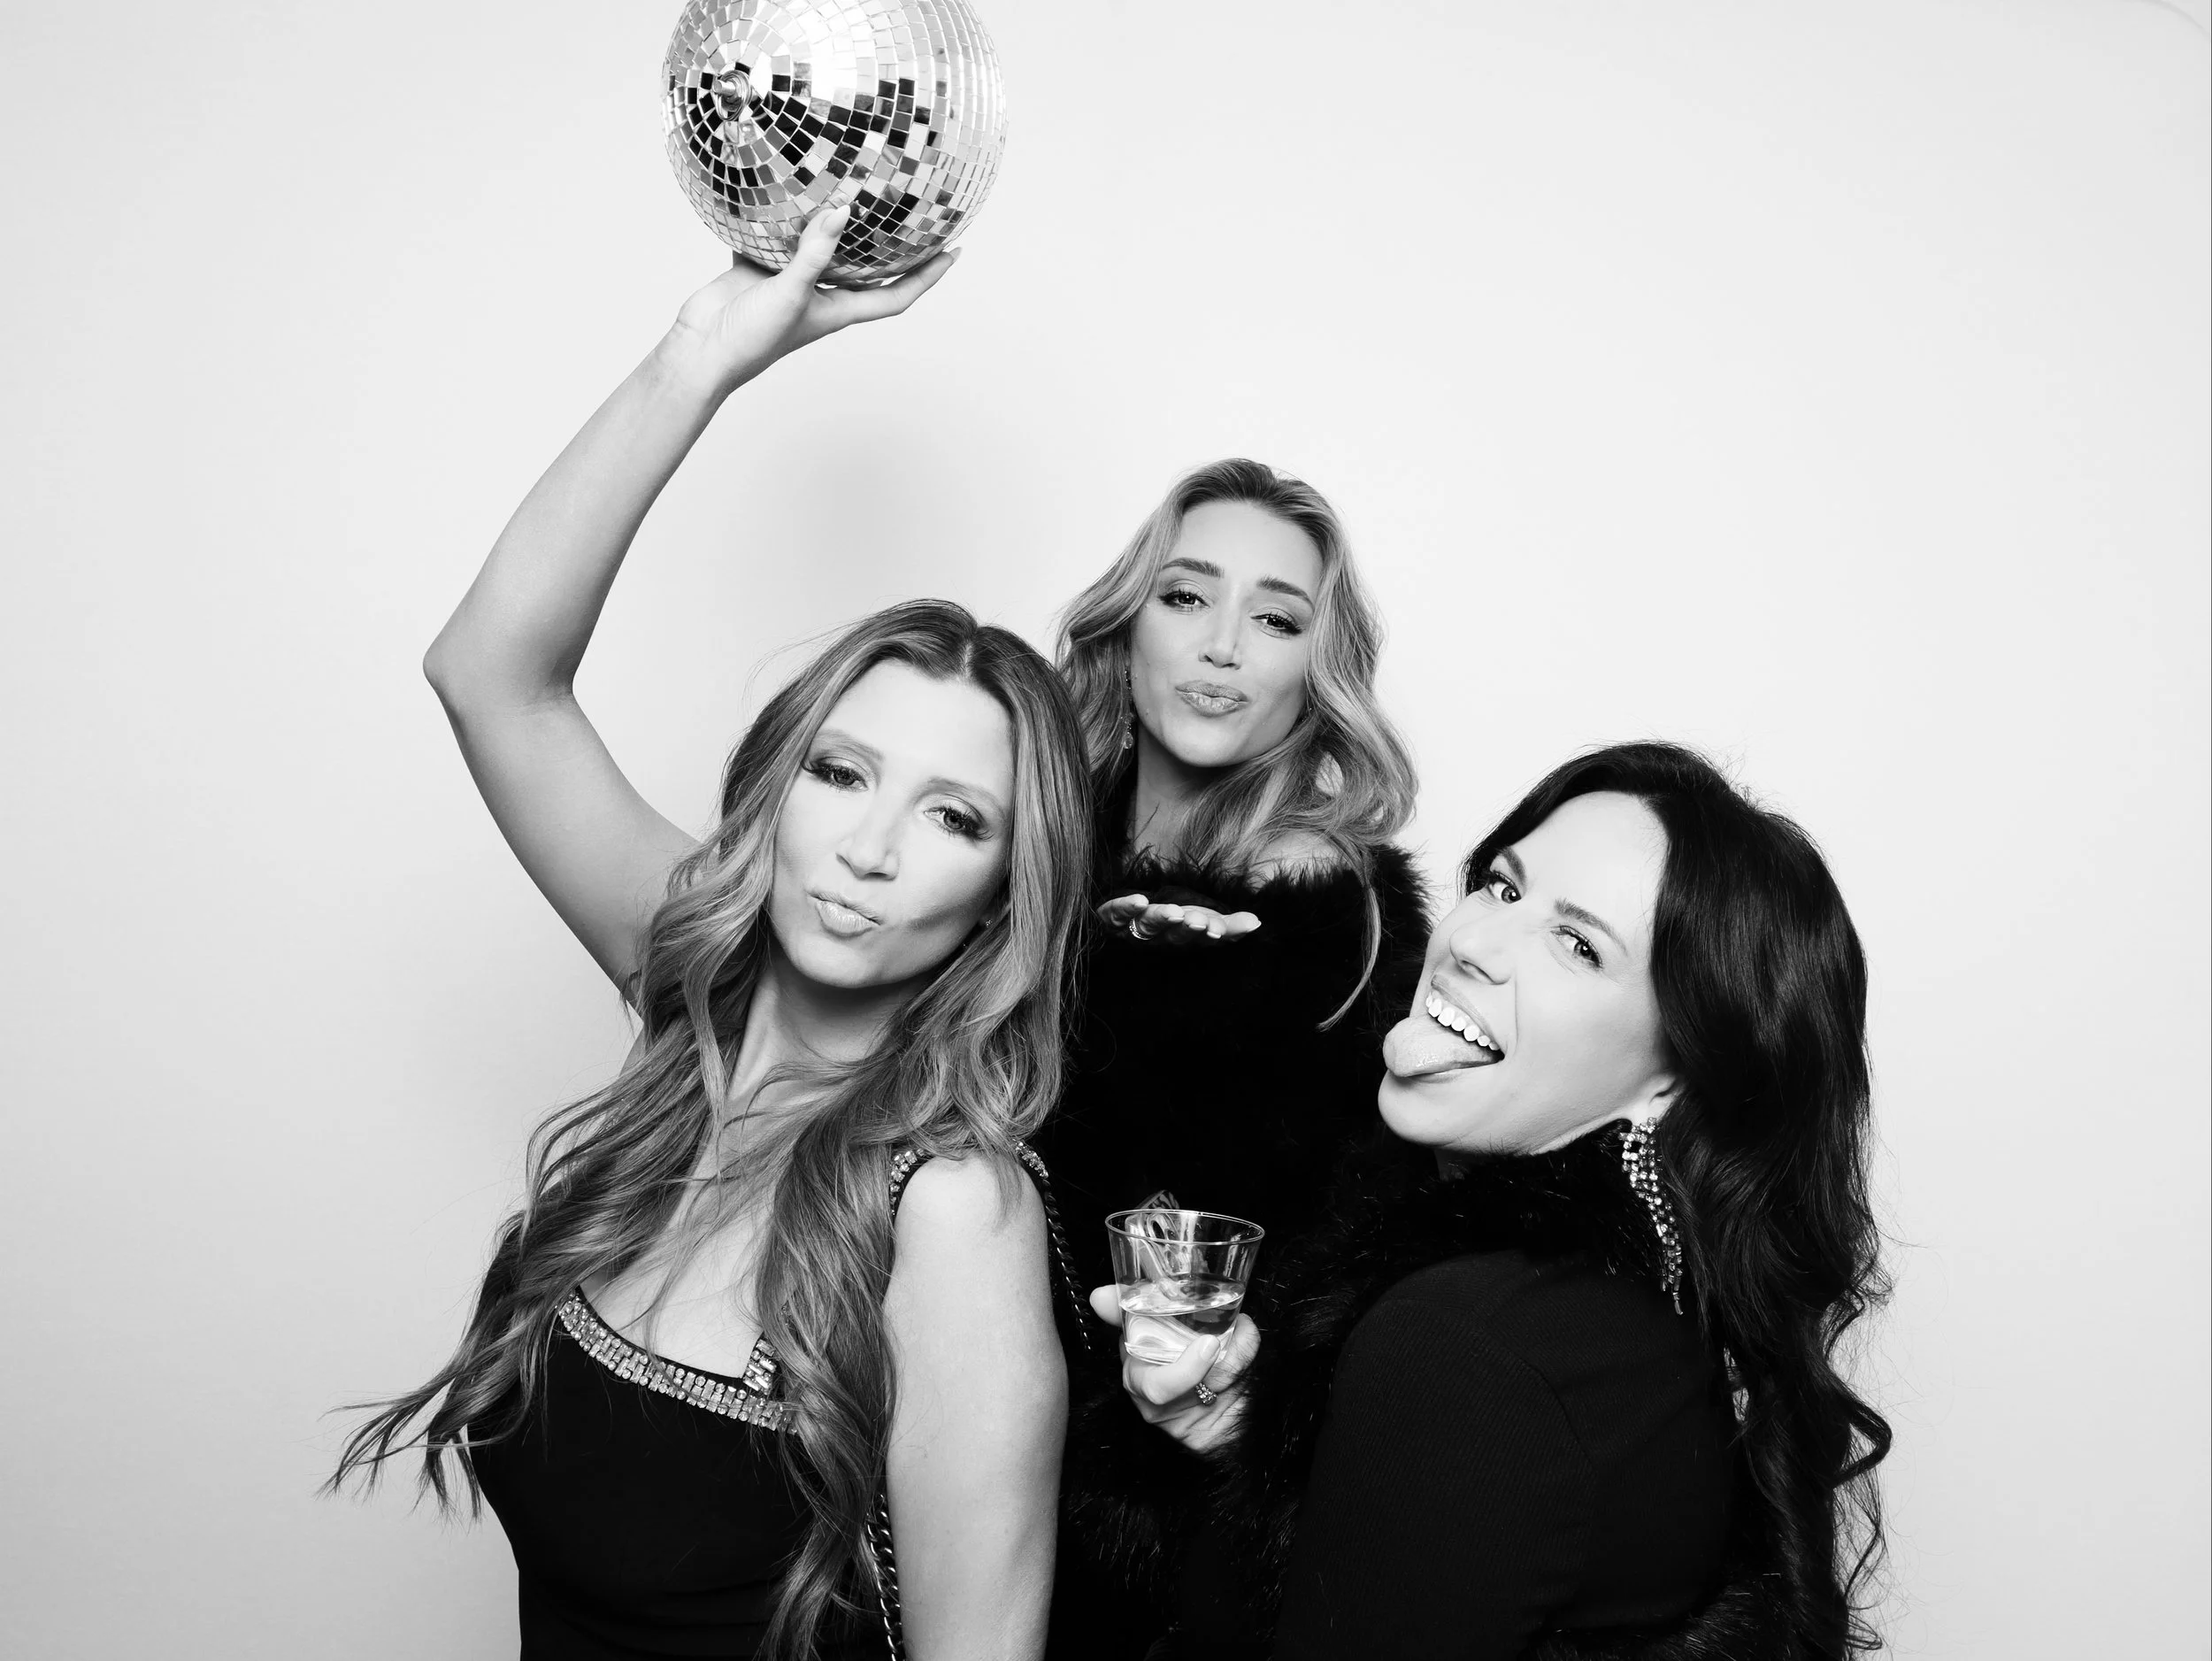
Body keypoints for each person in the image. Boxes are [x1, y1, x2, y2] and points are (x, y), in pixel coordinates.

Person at [331, 209, 1094, 1661]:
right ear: (778, 787)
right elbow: (487, 671)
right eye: (844, 772)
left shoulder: (947, 1211)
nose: (868, 849)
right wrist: (705, 358)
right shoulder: (692, 993)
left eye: (954, 819)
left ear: (1007, 892)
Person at [1078, 742, 1893, 1660]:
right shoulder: (1609, 1318)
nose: (1469, 941)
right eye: (1503, 887)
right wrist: (1250, 1438)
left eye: (1577, 944)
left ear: (1671, 1079)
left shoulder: (1465, 1342)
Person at [1029, 458, 1430, 1288]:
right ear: (1128, 622)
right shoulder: (1030, 827)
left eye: (1277, 620)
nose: (1222, 646)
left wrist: (1191, 991)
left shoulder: (1330, 923)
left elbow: (1321, 1263)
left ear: (1318, 669)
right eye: (1185, 597)